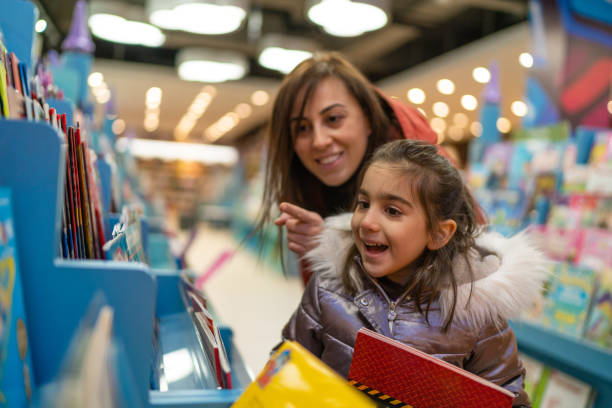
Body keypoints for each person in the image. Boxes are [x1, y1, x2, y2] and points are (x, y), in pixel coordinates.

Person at [281, 140, 548, 407]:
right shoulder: (329, 286)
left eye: (392, 211)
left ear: (438, 233)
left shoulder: (476, 312)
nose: (367, 222)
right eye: (363, 203)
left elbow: (510, 397)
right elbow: (286, 365)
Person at [256, 51, 442, 283]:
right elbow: (328, 310)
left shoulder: (433, 175)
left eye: (333, 119)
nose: (319, 141)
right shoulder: (305, 186)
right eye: (302, 128)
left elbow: (451, 288)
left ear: (368, 118)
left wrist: (331, 246)